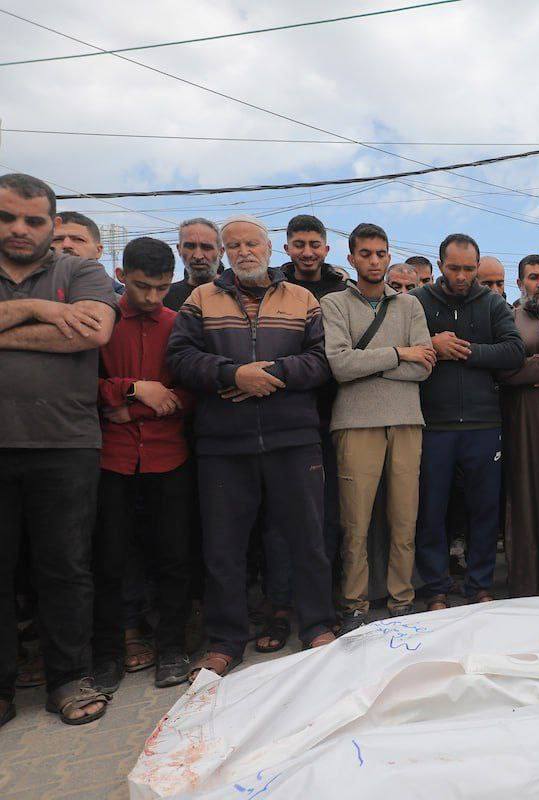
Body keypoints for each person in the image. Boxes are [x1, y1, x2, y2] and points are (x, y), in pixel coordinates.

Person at [167, 213, 336, 679]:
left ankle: (318, 625)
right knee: (224, 547)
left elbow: (322, 360)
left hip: (294, 439)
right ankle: (225, 641)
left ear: (269, 249)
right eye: (235, 245)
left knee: (308, 538)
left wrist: (272, 374)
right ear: (224, 253)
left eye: (252, 244)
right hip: (224, 444)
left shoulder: (302, 298)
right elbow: (180, 358)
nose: (244, 252)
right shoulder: (201, 299)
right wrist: (231, 374)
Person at [0, 173, 118, 728]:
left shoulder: (81, 271)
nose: (19, 229)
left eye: (33, 220)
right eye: (7, 218)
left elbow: (93, 333)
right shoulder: (54, 293)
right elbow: (68, 328)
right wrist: (43, 310)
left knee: (65, 567)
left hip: (65, 441)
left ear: (53, 223)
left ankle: (68, 677)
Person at [93, 237, 193, 692]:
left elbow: (187, 392)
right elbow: (81, 384)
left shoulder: (179, 324)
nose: (152, 297)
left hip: (168, 457)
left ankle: (172, 648)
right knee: (109, 559)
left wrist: (129, 407)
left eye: (161, 288)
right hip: (110, 460)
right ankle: (108, 654)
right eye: (141, 287)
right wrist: (135, 389)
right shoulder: (100, 321)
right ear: (121, 276)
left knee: (173, 557)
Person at [322, 223, 433, 632]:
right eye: (365, 253)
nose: (374, 260)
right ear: (351, 258)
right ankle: (355, 602)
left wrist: (368, 364)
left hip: (406, 419)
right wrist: (399, 353)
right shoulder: (334, 303)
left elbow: (424, 367)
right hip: (354, 421)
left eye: (381, 253)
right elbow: (339, 364)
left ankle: (402, 597)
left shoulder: (410, 306)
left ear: (389, 256)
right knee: (355, 521)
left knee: (405, 518)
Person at [411, 234, 524, 610]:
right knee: (431, 510)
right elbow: (401, 346)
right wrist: (433, 345)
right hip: (433, 424)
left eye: (469, 269)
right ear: (440, 265)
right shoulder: (417, 302)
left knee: (484, 510)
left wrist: (466, 351)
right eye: (454, 268)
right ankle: (435, 588)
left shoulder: (492, 303)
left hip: (483, 424)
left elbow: (514, 351)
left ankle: (480, 585)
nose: (461, 276)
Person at [267, 214, 346, 649]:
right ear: (287, 248)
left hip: (331, 415)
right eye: (299, 244)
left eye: (315, 244)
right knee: (281, 519)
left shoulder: (341, 289)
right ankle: (280, 606)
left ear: (327, 248)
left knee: (326, 516)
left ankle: (323, 602)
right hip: (284, 415)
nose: (307, 252)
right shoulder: (273, 288)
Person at [499, 254, 539, 597]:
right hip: (522, 417)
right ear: (520, 282)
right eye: (534, 277)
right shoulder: (509, 318)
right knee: (524, 496)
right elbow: (503, 368)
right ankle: (527, 582)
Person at [52, 210, 123, 296]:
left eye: (78, 239)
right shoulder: (36, 290)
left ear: (98, 251)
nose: (66, 245)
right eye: (57, 239)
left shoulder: (125, 301)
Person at [165, 218, 224, 311]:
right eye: (190, 247)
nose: (198, 256)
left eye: (206, 247)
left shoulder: (238, 296)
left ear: (221, 252)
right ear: (179, 249)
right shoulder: (163, 297)